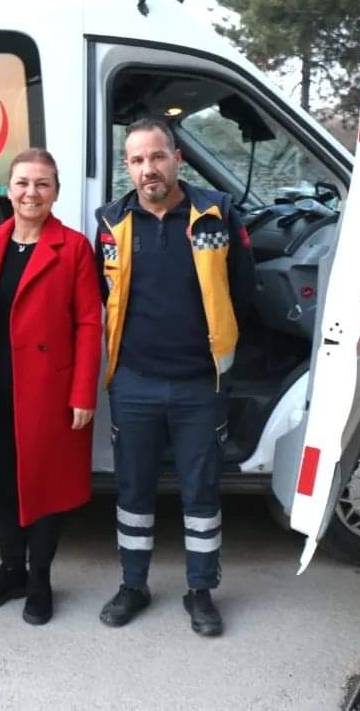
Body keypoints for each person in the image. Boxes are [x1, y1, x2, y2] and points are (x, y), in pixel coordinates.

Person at [94, 117, 255, 637]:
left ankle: (200, 591)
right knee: (133, 491)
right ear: (128, 167)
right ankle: (133, 585)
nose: (149, 168)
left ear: (177, 159)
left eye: (157, 156)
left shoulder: (217, 215)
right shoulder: (111, 223)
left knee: (201, 493)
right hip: (133, 382)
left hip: (199, 385)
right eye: (137, 160)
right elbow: (102, 296)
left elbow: (244, 292)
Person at [0, 148, 102, 625]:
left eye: (42, 184)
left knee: (44, 486)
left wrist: (83, 392)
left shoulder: (74, 247)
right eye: (23, 183)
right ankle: (11, 570)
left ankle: (40, 579)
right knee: (6, 484)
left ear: (56, 192)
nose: (31, 193)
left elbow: (89, 323)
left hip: (48, 392)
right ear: (8, 190)